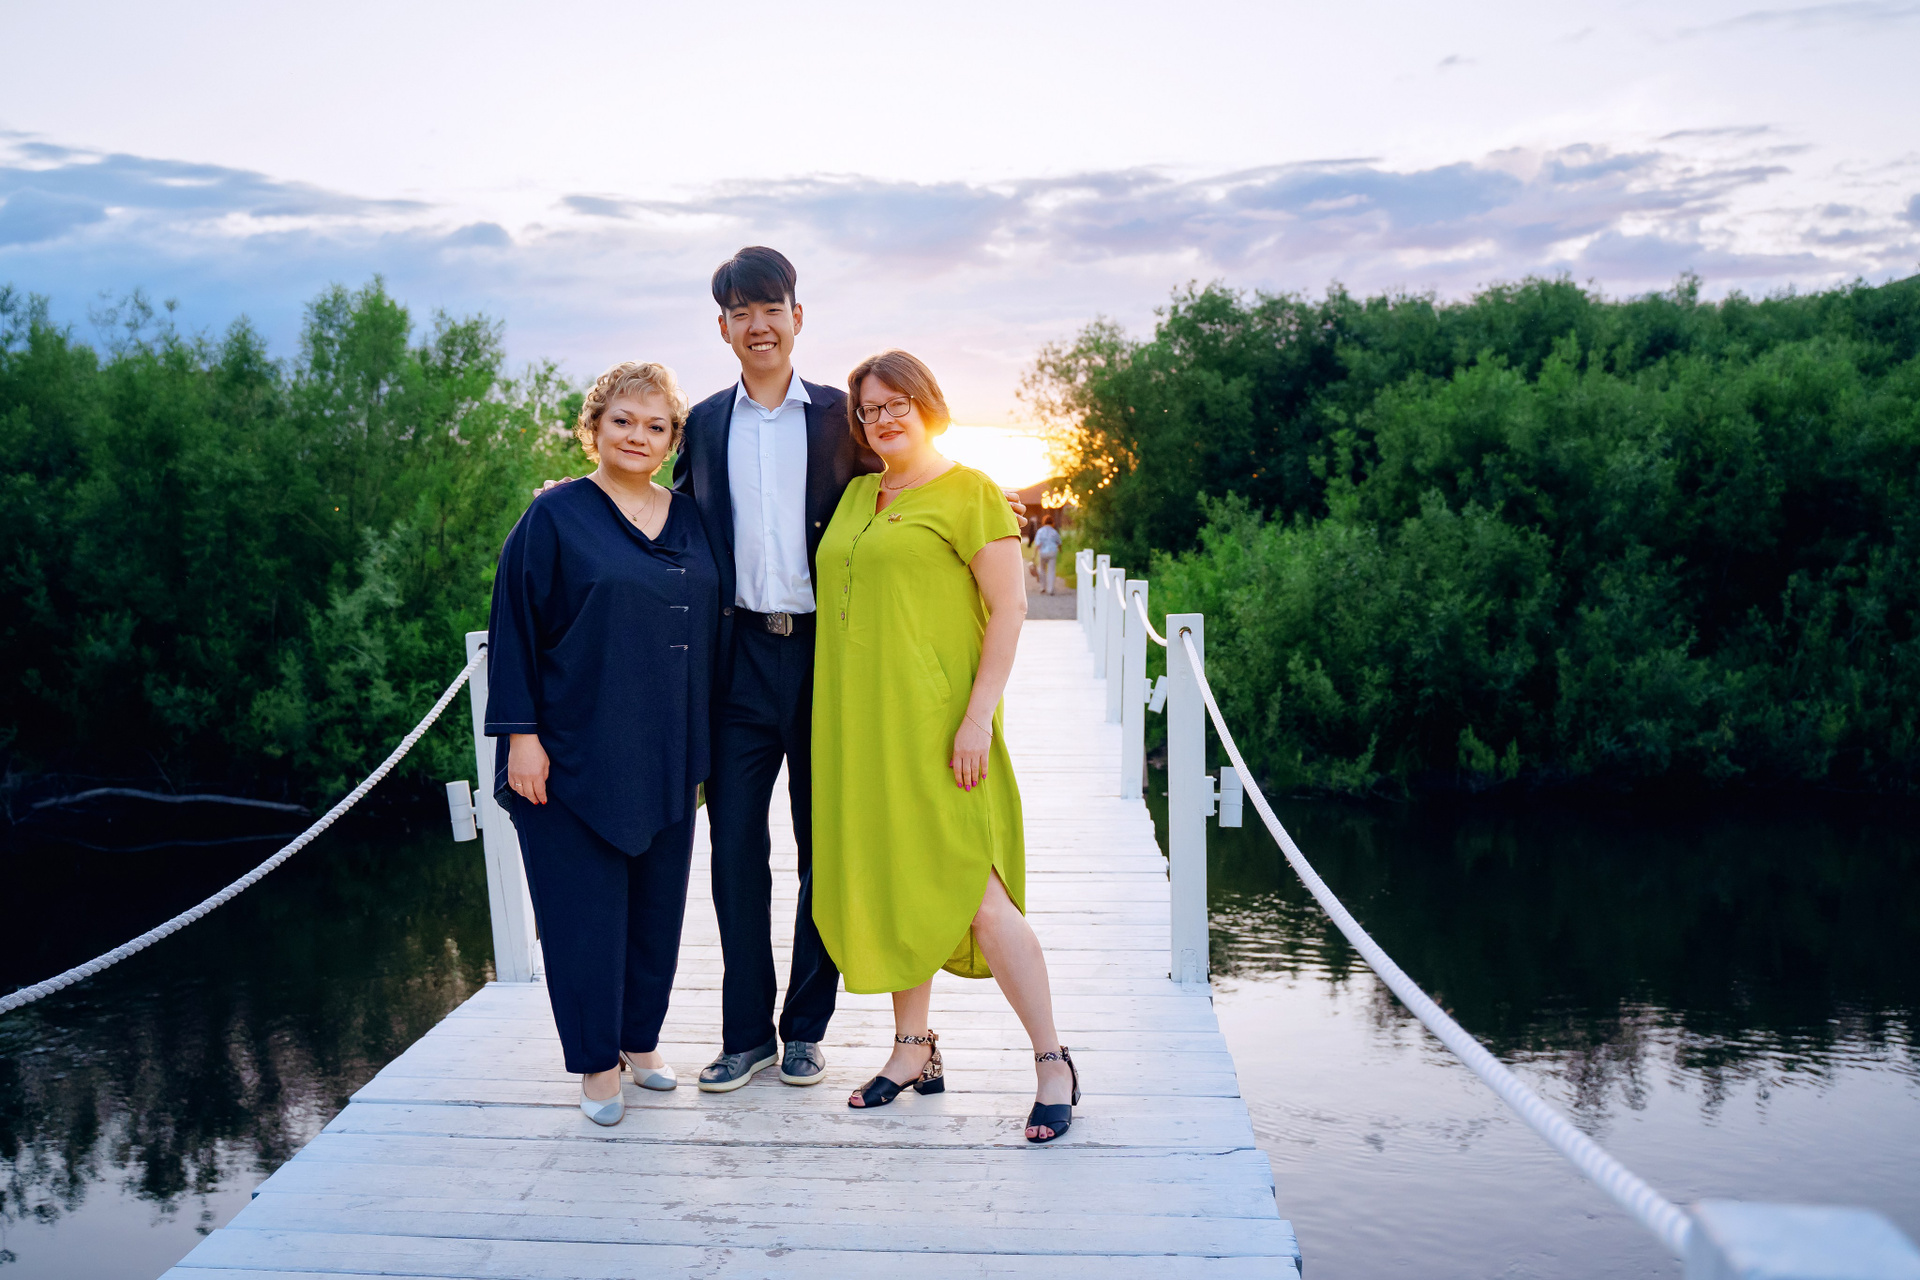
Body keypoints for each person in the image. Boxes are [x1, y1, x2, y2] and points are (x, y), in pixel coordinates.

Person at [667, 248, 1030, 1092]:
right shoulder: (705, 424)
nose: (759, 325)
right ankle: (744, 1035)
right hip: (737, 661)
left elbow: (912, 488)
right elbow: (675, 518)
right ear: (722, 328)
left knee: (827, 848)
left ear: (797, 317)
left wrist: (990, 520)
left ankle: (804, 1030)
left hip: (829, 662)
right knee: (733, 851)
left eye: (772, 308)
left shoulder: (843, 416)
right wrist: (580, 503)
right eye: (741, 312)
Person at [811, 350, 1081, 1143]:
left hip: (942, 727)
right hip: (863, 729)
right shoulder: (857, 495)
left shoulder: (971, 492)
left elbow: (1010, 609)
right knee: (899, 880)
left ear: (927, 404)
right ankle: (913, 1051)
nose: (882, 419)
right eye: (868, 410)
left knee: (979, 893)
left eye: (896, 403)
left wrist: (976, 720)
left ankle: (1053, 1061)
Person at [483, 361, 719, 1126]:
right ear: (594, 427)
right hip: (570, 751)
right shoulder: (555, 517)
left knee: (656, 909)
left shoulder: (691, 520)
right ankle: (594, 1064)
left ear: (673, 440)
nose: (638, 436)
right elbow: (515, 626)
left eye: (656, 425)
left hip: (666, 749)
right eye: (623, 420)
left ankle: (639, 1042)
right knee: (583, 917)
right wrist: (521, 737)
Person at [1033, 513, 1062, 595]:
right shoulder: (1054, 532)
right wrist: (1060, 550)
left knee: (1042, 570)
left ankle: (1043, 587)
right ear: (1052, 522)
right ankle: (1050, 589)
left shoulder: (1040, 531)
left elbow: (1037, 544)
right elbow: (1059, 542)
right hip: (1052, 552)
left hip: (1043, 552)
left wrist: (1034, 554)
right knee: (1051, 571)